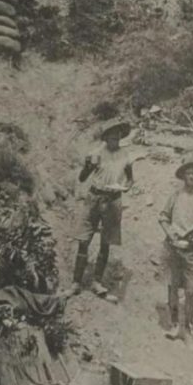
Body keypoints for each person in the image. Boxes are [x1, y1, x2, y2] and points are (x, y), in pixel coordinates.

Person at [72, 119, 134, 296]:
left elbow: (130, 179)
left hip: (114, 199)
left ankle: (97, 282)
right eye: (112, 137)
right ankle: (76, 282)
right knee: (84, 239)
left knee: (105, 243)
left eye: (118, 137)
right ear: (106, 138)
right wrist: (88, 165)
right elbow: (83, 178)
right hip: (94, 198)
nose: (116, 140)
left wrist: (126, 187)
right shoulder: (96, 153)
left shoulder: (125, 155)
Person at [159, 159, 193, 342]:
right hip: (174, 247)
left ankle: (189, 326)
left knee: (190, 290)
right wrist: (171, 234)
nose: (191, 176)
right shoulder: (175, 196)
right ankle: (175, 324)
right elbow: (163, 218)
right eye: (188, 173)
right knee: (173, 287)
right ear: (183, 176)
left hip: (192, 249)